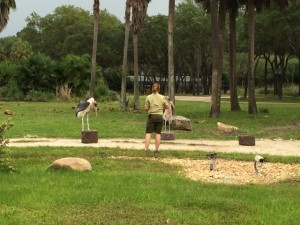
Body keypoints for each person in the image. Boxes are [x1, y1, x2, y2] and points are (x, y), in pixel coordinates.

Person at [144, 83, 168, 157]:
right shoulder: (162, 97)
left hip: (151, 116)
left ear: (152, 88)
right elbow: (166, 106)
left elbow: (145, 109)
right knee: (158, 133)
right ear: (159, 89)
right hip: (159, 116)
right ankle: (156, 150)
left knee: (148, 133)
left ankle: (146, 149)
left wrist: (148, 109)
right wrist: (162, 109)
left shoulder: (149, 97)